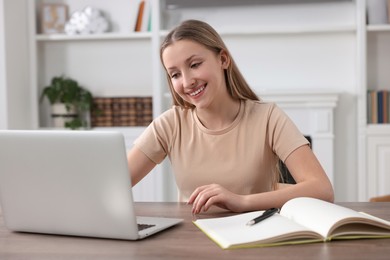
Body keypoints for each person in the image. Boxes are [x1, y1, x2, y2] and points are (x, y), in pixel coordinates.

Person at [127, 19, 334, 215]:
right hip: (192, 241)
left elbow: (322, 189)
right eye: (175, 74)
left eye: (195, 64)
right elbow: (113, 186)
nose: (187, 81)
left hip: (254, 234)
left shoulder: (268, 117)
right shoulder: (170, 124)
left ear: (223, 59)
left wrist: (242, 201)